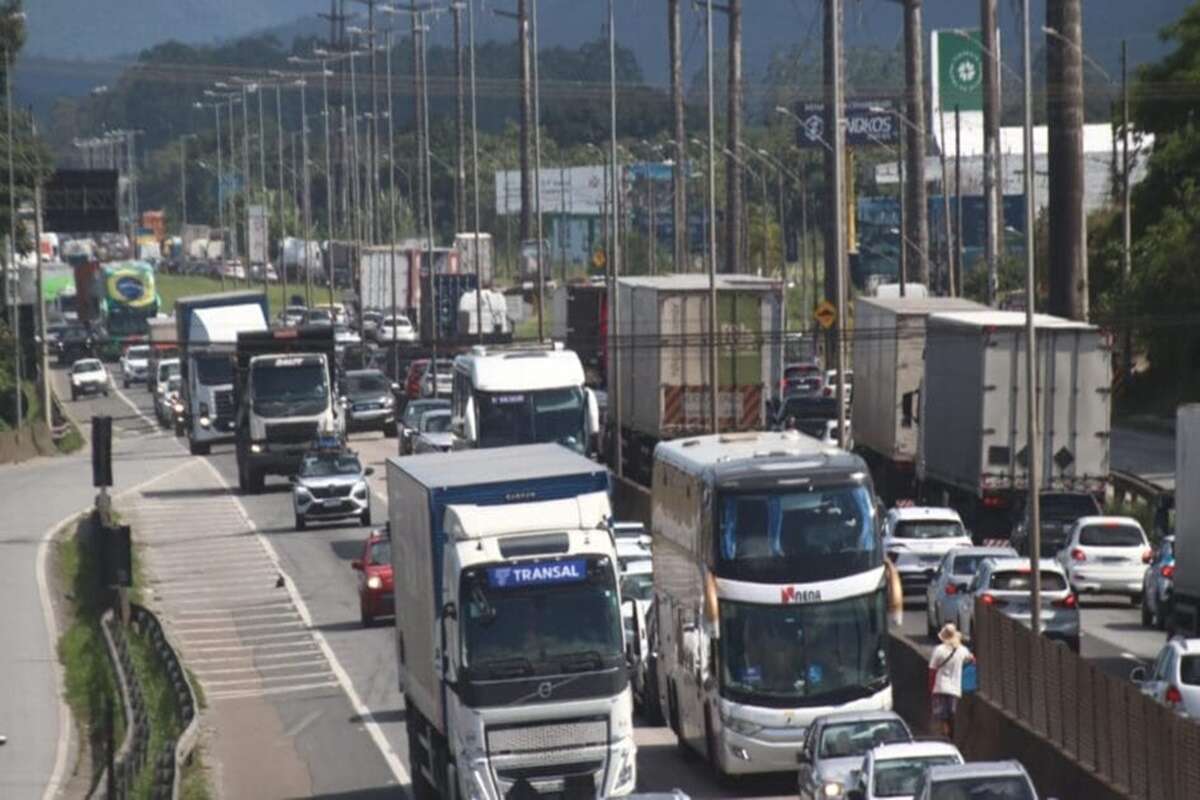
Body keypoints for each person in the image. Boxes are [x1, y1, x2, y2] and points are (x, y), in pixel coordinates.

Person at [928, 623, 973, 739]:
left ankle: (945, 734)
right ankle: (951, 736)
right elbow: (972, 659)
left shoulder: (939, 650)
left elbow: (932, 670)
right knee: (952, 714)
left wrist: (931, 687)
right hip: (954, 689)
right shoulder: (962, 650)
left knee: (941, 715)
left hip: (940, 687)